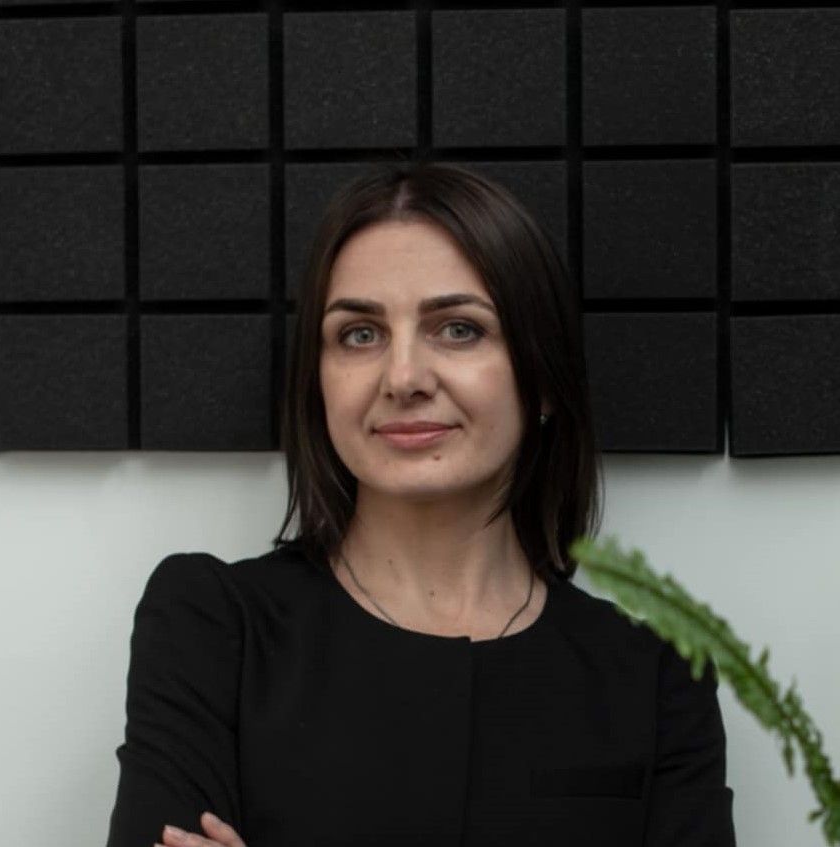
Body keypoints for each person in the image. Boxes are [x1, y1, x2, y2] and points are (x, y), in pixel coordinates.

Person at [105, 161, 736, 847]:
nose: (402, 377)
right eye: (359, 334)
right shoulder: (213, 627)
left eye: (458, 329)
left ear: (545, 377)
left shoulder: (655, 680)